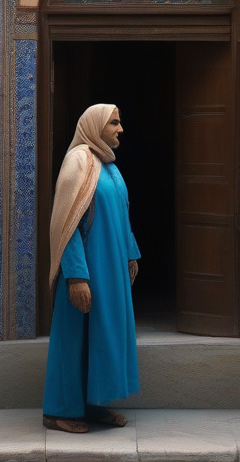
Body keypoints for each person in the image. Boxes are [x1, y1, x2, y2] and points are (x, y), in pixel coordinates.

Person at [42, 103, 140, 433]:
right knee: (73, 340)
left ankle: (94, 405)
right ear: (95, 126)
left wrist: (130, 253)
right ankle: (60, 411)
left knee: (103, 336)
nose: (120, 129)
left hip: (110, 269)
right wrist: (76, 277)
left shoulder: (108, 166)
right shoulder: (79, 160)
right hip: (86, 269)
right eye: (114, 122)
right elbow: (67, 225)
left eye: (119, 122)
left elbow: (121, 215)